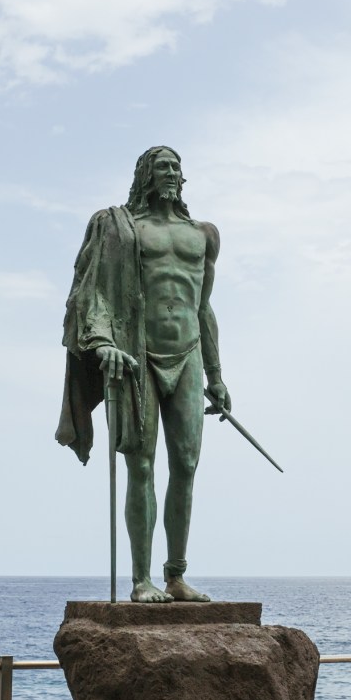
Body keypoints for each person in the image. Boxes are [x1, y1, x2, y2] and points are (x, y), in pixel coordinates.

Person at [56, 146, 230, 602]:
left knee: (187, 465)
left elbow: (203, 306)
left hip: (189, 352)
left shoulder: (204, 235)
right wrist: (104, 342)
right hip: (138, 355)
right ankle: (141, 579)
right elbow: (89, 294)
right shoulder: (122, 229)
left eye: (176, 167)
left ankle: (175, 575)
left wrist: (217, 374)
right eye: (161, 167)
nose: (171, 173)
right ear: (145, 175)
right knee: (143, 464)